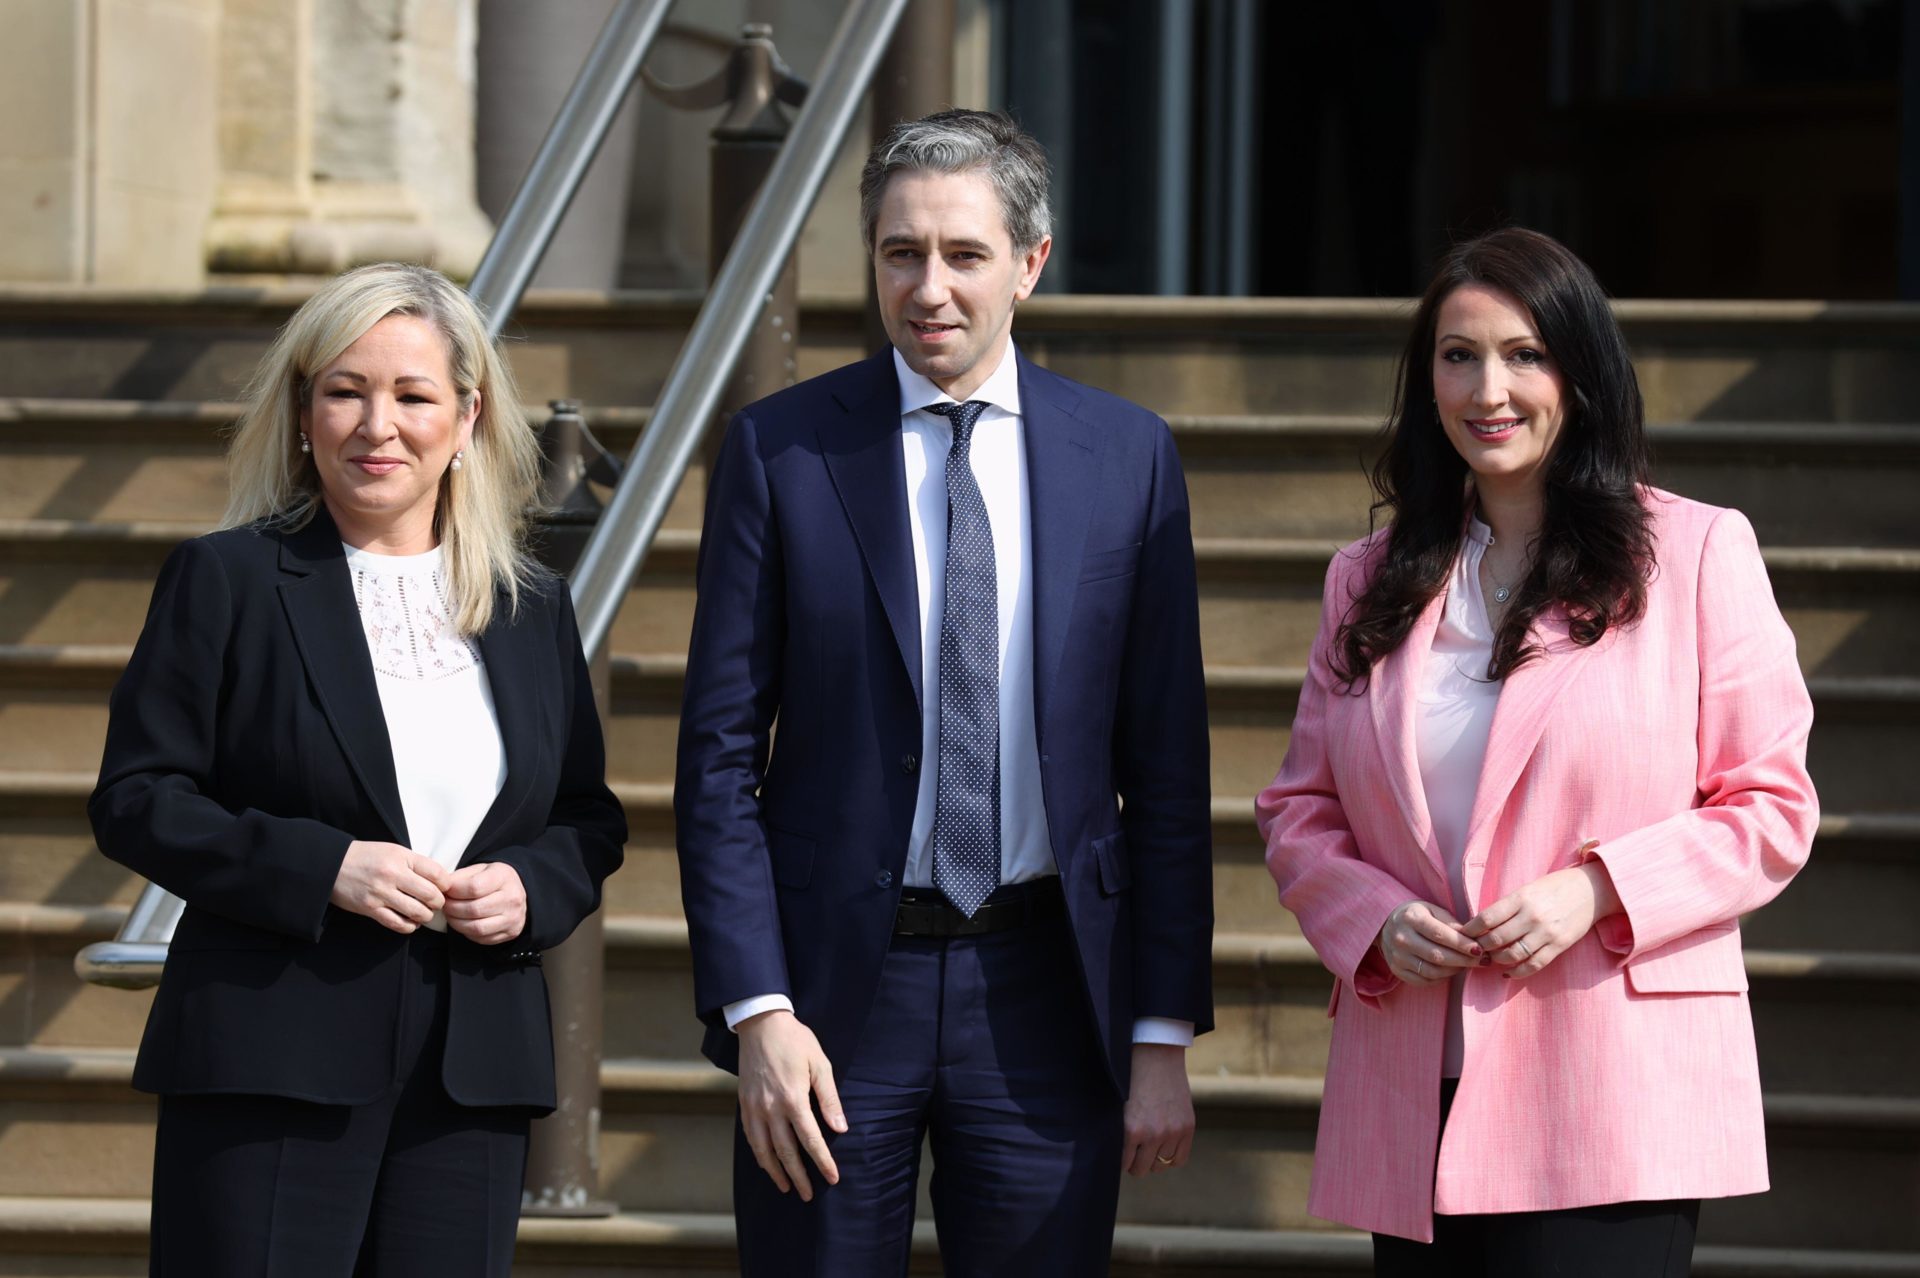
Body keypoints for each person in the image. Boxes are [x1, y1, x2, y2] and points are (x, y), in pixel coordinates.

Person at [674, 108, 1214, 1276]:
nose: (930, 288)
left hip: (1046, 992)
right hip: (825, 1001)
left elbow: (1167, 767)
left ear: (1030, 263)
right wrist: (756, 1009)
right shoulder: (779, 451)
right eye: (899, 253)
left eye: (964, 255)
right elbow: (717, 757)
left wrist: (1161, 1028)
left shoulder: (1127, 457)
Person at [1255, 227, 1818, 1275]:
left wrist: (1596, 891)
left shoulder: (1696, 554)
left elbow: (1772, 805)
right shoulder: (1367, 577)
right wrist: (1372, 918)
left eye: (1524, 354)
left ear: (1582, 372)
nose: (1488, 388)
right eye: (1458, 356)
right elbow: (1298, 809)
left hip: (1612, 1091)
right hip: (1417, 1087)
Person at [89, 262, 627, 1276]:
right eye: (346, 391)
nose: (378, 425)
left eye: (413, 396)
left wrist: (530, 886)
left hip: (472, 1071)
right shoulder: (228, 579)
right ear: (302, 413)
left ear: (465, 419)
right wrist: (323, 866)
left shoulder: (530, 607)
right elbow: (137, 800)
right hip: (272, 1054)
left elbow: (585, 820)